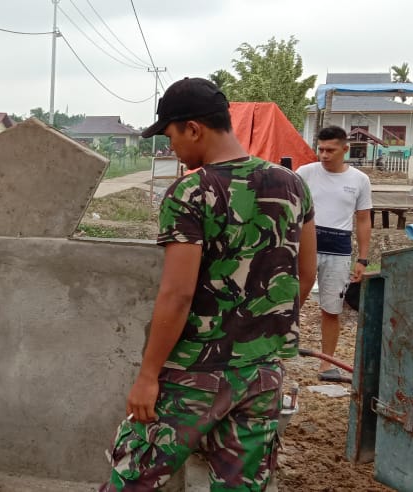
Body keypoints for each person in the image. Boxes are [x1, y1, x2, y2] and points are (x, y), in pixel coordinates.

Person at [102, 78, 317, 491]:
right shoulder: (293, 185)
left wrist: (148, 376)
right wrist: (261, 332)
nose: (172, 148)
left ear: (194, 128)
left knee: (134, 476)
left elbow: (178, 293)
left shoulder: (191, 191)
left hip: (194, 374)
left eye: (171, 136)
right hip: (263, 372)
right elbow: (304, 274)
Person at [296, 126, 372, 383]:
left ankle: (326, 363)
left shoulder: (359, 180)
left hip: (339, 249)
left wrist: (362, 259)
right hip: (306, 244)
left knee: (331, 308)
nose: (324, 155)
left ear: (345, 149)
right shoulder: (304, 173)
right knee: (291, 301)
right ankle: (274, 355)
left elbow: (363, 219)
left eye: (330, 150)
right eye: (321, 149)